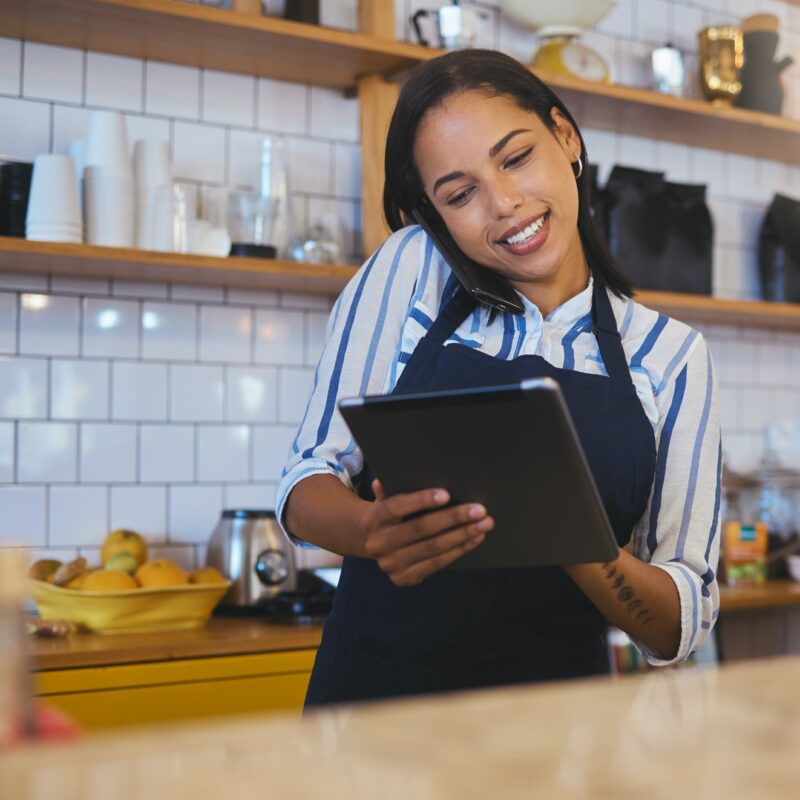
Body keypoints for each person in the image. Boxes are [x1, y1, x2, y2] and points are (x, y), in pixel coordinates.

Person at [277, 49, 721, 708]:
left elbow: (678, 622)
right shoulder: (413, 270)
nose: (505, 204)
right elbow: (305, 482)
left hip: (557, 735)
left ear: (564, 137)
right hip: (372, 715)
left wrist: (570, 534)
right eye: (460, 194)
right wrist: (372, 531)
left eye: (516, 158)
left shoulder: (672, 355)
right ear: (437, 212)